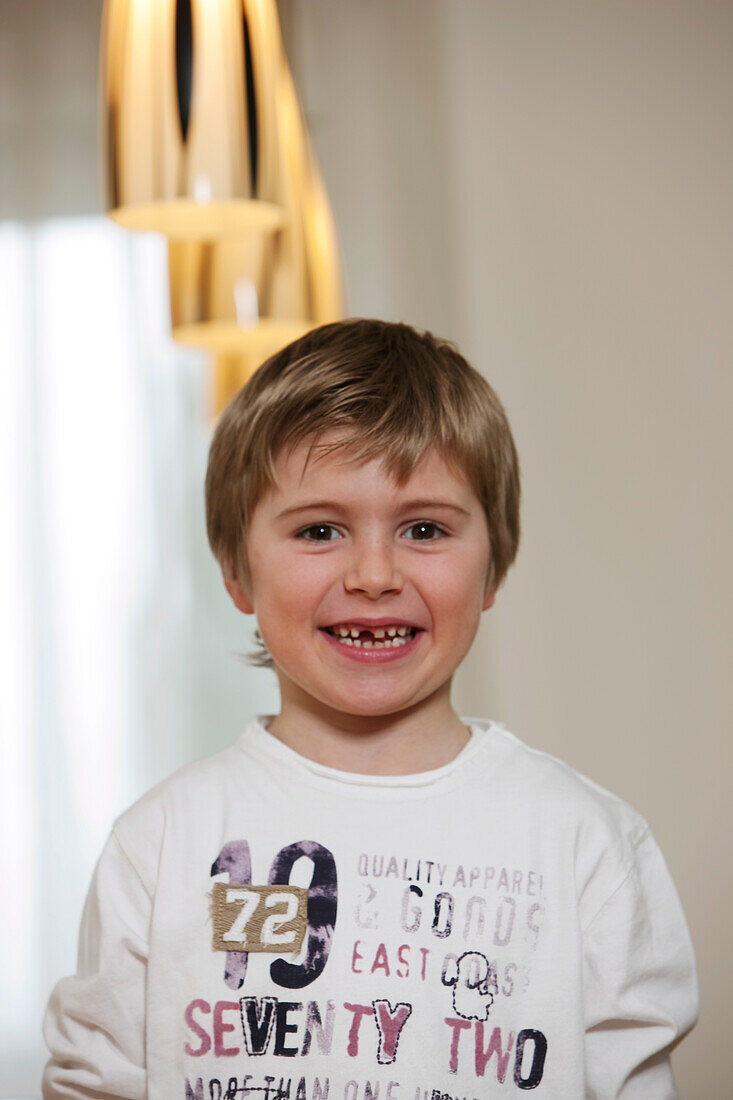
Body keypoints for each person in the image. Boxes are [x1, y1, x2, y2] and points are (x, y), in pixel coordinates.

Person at [43, 319, 698, 1099]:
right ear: (236, 571)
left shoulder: (587, 847)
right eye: (319, 530)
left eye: (424, 528)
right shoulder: (162, 847)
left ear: (494, 566)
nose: (374, 573)